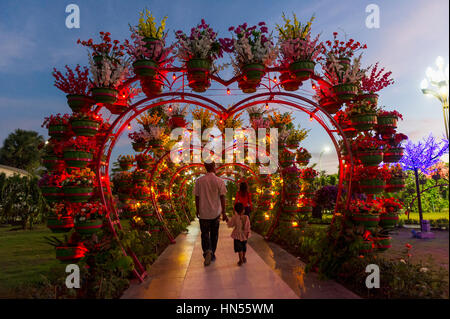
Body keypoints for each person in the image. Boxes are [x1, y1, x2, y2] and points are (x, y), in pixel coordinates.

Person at [194, 162, 228, 266]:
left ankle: (207, 251)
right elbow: (222, 197)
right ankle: (212, 253)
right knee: (214, 234)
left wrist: (197, 210)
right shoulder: (219, 181)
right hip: (215, 213)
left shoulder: (199, 181)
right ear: (213, 167)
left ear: (205, 168)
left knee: (204, 234)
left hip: (204, 213)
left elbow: (197, 197)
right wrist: (224, 212)